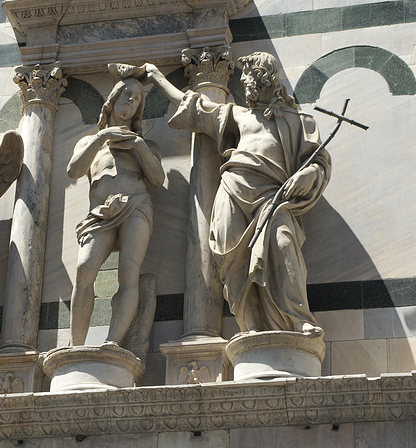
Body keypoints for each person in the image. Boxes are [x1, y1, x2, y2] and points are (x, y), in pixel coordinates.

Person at [145, 52, 330, 335]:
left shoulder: (298, 120)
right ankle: (251, 325)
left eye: (248, 76)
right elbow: (193, 107)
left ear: (265, 78)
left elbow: (318, 161)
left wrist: (309, 174)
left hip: (273, 197)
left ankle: (297, 317)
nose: (244, 83)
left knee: (282, 245)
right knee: (232, 258)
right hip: (232, 191)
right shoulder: (238, 114)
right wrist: (156, 75)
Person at [67, 77, 164, 346]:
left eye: (137, 99)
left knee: (129, 272)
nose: (131, 100)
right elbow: (74, 170)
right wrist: (101, 137)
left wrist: (139, 146)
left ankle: (112, 341)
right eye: (127, 94)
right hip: (100, 213)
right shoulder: (90, 142)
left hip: (136, 206)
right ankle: (76, 346)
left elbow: (157, 179)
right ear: (112, 99)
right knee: (84, 271)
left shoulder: (145, 144)